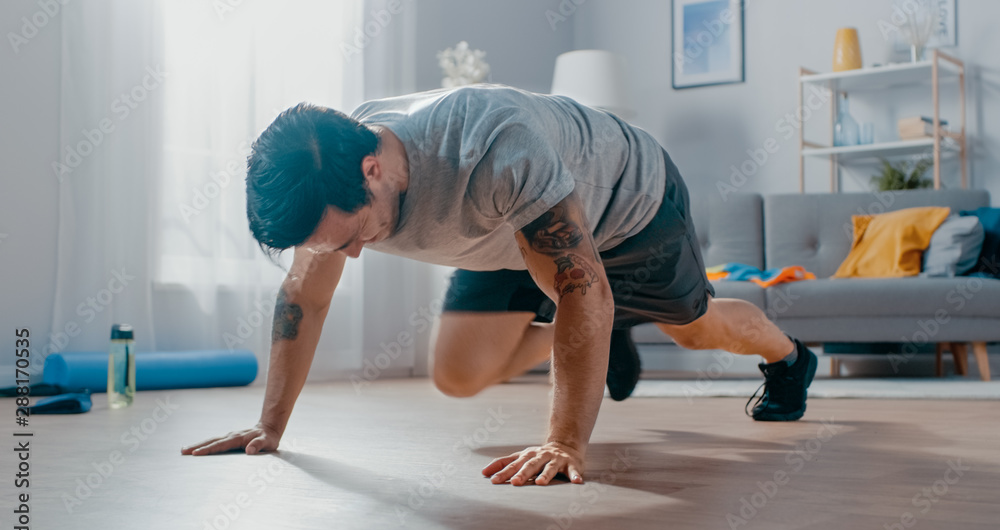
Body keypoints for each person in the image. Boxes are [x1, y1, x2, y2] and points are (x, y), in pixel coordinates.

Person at [181, 85, 817, 486]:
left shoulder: (492, 149)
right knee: (458, 372)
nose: (348, 254)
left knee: (695, 331)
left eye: (349, 236)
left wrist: (564, 442)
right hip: (509, 236)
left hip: (629, 208)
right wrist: (270, 427)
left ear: (373, 171)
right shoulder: (333, 171)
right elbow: (303, 297)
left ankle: (789, 359)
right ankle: (597, 334)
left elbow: (581, 284)